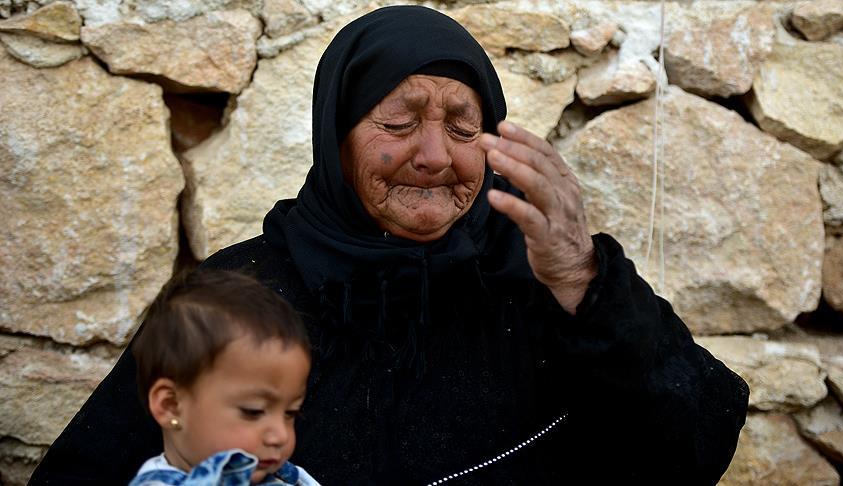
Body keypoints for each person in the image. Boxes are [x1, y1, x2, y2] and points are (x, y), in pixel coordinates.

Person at [31, 5, 749, 485]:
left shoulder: (544, 280)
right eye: (398, 121)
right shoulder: (240, 298)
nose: (435, 154)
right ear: (334, 137)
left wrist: (583, 278)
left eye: (464, 127)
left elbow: (695, 446)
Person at [127, 270, 320, 485]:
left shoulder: (285, 477)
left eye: (290, 413)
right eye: (253, 411)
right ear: (171, 405)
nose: (280, 436)